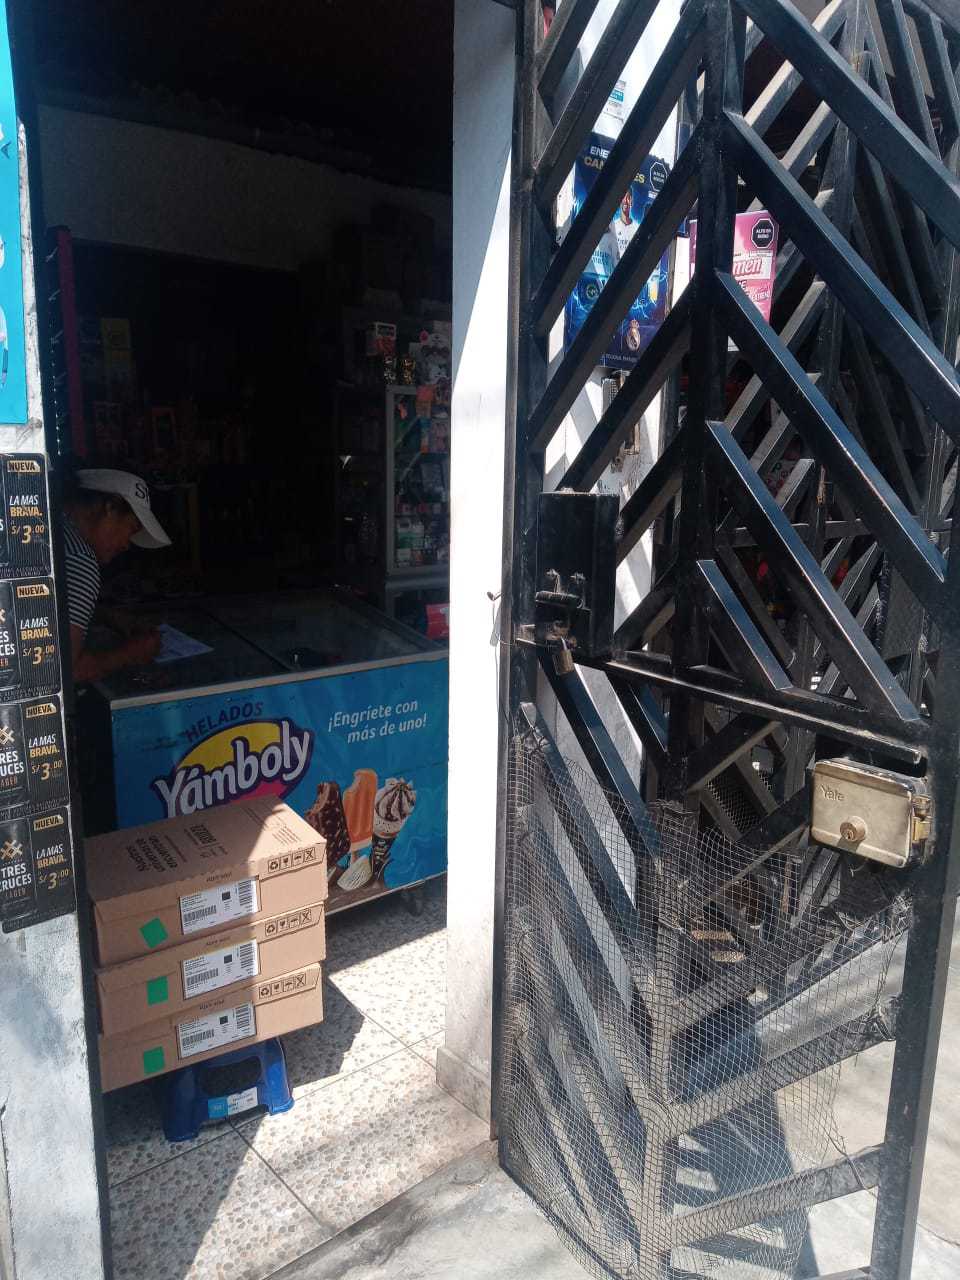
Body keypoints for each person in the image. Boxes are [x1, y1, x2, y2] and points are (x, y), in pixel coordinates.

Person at [63, 468, 171, 681]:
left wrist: (105, 616)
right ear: (110, 508)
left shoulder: (55, 530)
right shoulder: (80, 560)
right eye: (131, 529)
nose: (126, 545)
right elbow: (65, 671)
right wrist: (130, 654)